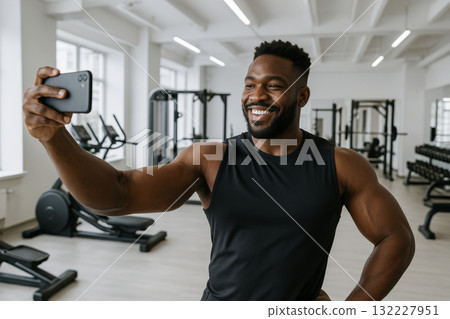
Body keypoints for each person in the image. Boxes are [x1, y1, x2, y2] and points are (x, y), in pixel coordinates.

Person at [23, 40, 415, 301]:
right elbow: (117, 195)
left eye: (273, 85)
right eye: (249, 84)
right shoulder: (209, 159)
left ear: (302, 95)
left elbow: (395, 238)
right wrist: (54, 138)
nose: (256, 95)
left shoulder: (339, 164)